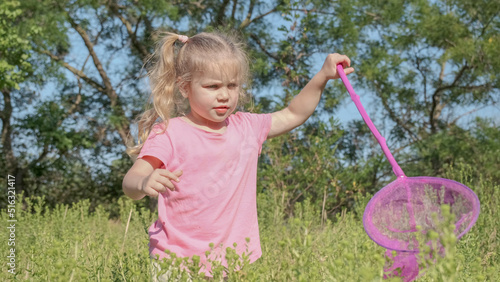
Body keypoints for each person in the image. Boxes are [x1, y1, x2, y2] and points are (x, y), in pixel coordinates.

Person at [122, 31, 354, 278]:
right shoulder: (170, 132)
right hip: (176, 260)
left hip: (233, 259)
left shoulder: (247, 128)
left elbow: (293, 114)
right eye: (212, 86)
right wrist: (144, 182)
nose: (224, 94)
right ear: (184, 87)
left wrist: (322, 76)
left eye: (232, 85)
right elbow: (131, 182)